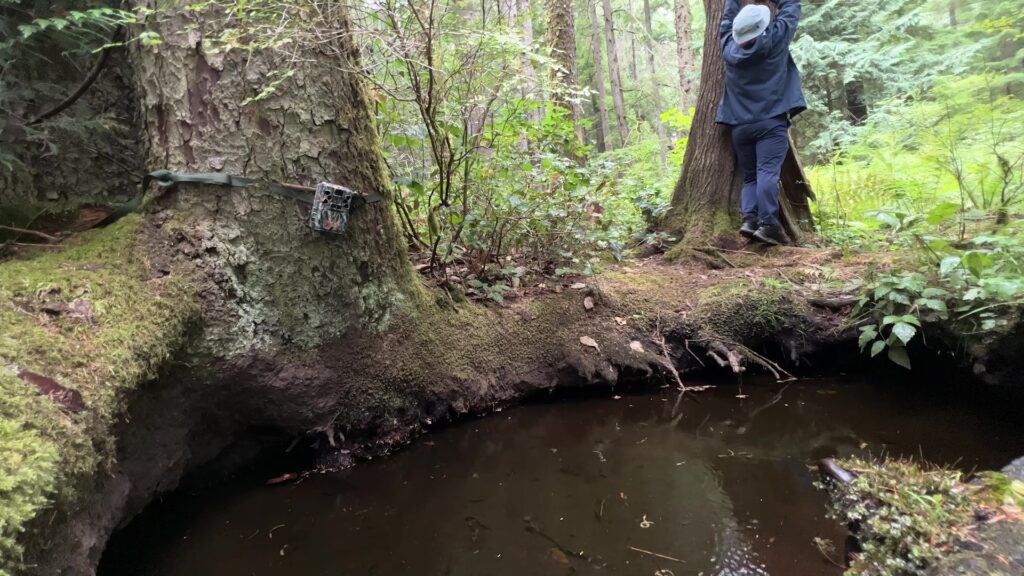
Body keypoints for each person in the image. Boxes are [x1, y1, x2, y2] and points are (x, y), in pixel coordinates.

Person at [716, 0, 806, 245]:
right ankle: (768, 225)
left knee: (751, 176)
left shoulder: (728, 48)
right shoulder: (776, 39)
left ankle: (749, 220)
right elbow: (792, 5)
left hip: (740, 127)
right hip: (770, 122)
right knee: (767, 172)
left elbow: (726, 20)